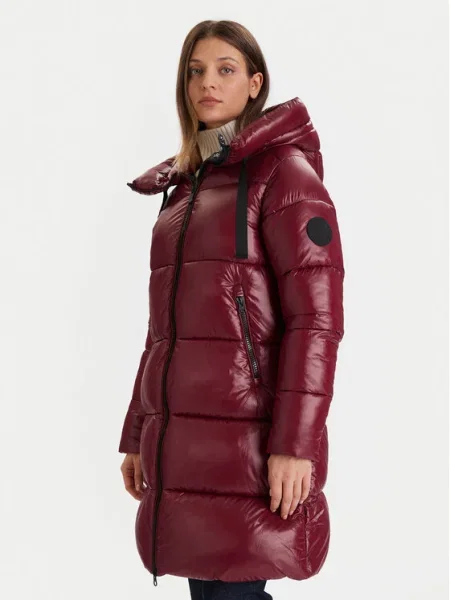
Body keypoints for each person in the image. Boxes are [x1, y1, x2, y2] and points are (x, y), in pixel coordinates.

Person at [118, 19, 345, 600]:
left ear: (255, 84)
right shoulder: (183, 190)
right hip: (186, 445)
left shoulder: (285, 175)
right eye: (196, 71)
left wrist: (295, 444)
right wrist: (139, 432)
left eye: (226, 69)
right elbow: (164, 332)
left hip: (252, 443)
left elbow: (316, 322)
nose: (208, 84)